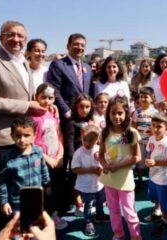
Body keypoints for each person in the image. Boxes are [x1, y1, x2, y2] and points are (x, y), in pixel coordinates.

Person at [0, 20, 45, 233]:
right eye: (11, 34)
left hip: (22, 140)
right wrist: (27, 106)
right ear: (0, 37)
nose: (16, 39)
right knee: (1, 202)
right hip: (0, 143)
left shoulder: (23, 61)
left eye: (21, 36)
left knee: (22, 196)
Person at [47, 33, 93, 215]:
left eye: (82, 45)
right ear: (68, 45)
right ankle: (60, 202)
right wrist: (67, 112)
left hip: (83, 120)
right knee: (64, 159)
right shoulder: (58, 64)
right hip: (66, 120)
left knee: (81, 157)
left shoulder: (87, 67)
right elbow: (54, 90)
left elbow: (88, 93)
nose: (79, 48)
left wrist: (89, 115)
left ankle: (77, 197)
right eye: (76, 44)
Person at [98, 96, 142, 240]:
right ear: (108, 113)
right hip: (109, 178)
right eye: (113, 113)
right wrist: (104, 164)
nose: (116, 116)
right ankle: (118, 233)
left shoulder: (131, 133)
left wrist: (118, 165)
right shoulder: (104, 132)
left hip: (125, 179)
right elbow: (101, 155)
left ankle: (136, 236)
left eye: (120, 113)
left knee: (129, 211)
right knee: (113, 209)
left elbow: (137, 157)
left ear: (126, 114)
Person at [29, 83, 66, 230]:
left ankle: (52, 215)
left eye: (50, 98)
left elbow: (59, 135)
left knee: (53, 189)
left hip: (55, 158)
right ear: (36, 97)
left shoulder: (53, 113)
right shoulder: (33, 117)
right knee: (43, 190)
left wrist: (60, 155)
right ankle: (40, 218)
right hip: (41, 160)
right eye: (43, 97)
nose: (47, 101)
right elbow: (31, 142)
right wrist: (47, 158)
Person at [0, 116, 51, 216]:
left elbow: (43, 169)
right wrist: (4, 202)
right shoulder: (8, 158)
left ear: (34, 135)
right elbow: (2, 182)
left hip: (37, 197)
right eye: (18, 135)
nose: (22, 140)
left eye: (27, 135)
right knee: (18, 225)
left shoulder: (38, 152)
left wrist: (47, 184)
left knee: (35, 221)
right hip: (17, 201)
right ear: (12, 136)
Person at [71, 125, 109, 236]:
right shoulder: (78, 153)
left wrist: (102, 169)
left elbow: (105, 163)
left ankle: (99, 215)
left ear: (97, 140)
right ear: (81, 137)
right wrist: (90, 170)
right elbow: (74, 169)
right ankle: (87, 221)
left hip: (99, 184)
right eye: (85, 140)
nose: (87, 143)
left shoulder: (99, 150)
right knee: (88, 203)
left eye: (91, 140)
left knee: (100, 200)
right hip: (86, 186)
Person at [144, 113, 167, 237]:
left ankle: (165, 220)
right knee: (155, 196)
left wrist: (156, 162)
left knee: (165, 201)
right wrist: (147, 159)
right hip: (152, 175)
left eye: (159, 126)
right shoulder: (152, 138)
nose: (156, 129)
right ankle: (157, 212)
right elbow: (149, 150)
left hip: (163, 179)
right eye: (153, 126)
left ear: (166, 128)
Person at [131, 86, 158, 187]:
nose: (143, 99)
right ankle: (140, 179)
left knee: (151, 162)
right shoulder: (137, 112)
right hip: (140, 142)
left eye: (146, 97)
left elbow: (158, 126)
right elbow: (133, 126)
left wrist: (154, 132)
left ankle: (152, 180)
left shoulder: (155, 113)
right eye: (141, 96)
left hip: (151, 143)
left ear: (152, 99)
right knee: (140, 163)